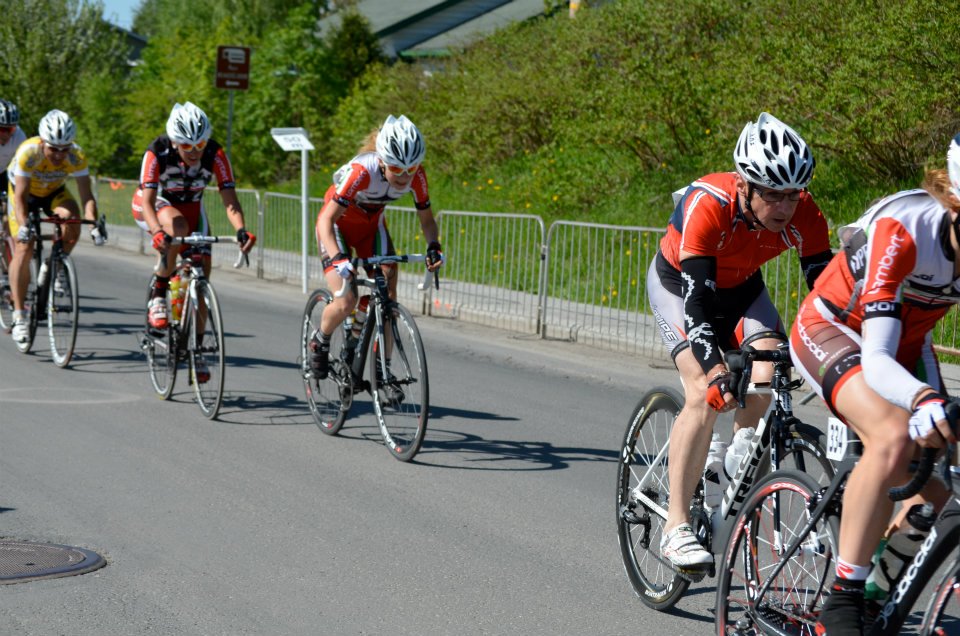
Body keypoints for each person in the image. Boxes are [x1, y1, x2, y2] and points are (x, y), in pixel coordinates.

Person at [646, 112, 833, 569]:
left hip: (744, 289)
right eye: (772, 194)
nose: (785, 207)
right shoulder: (709, 205)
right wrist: (715, 371)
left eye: (793, 193)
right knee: (702, 393)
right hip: (680, 288)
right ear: (744, 186)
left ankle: (736, 457)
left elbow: (828, 295)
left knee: (768, 372)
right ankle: (675, 527)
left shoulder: (807, 214)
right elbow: (697, 305)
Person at [790, 137, 960, 635]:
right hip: (834, 328)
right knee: (892, 435)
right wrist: (923, 398)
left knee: (937, 492)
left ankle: (875, 597)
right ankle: (843, 599)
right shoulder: (906, 228)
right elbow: (878, 359)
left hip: (908, 343)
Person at [309, 114, 444, 384]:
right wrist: (338, 257)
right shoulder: (362, 171)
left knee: (388, 298)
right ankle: (319, 341)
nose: (405, 176)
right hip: (337, 227)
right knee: (345, 300)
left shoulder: (417, 177)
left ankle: (381, 368)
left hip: (371, 228)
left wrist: (433, 246)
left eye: (411, 168)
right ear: (382, 161)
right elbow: (326, 220)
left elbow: (427, 221)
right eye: (396, 169)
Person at [131, 102, 256, 381]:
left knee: (203, 273)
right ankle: (158, 293)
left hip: (191, 209)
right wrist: (157, 232)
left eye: (199, 144)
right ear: (174, 142)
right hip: (154, 206)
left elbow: (230, 199)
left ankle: (196, 350)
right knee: (176, 226)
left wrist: (241, 230)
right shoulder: (157, 151)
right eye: (187, 146)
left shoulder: (215, 153)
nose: (194, 151)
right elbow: (148, 201)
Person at [7, 109, 105, 343]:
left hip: (53, 192)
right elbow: (20, 198)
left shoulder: (76, 156)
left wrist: (93, 225)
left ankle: (55, 263)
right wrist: (24, 226)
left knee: (72, 219)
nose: (60, 155)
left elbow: (86, 195)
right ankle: (19, 316)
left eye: (65, 149)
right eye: (54, 149)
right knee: (24, 247)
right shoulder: (28, 152)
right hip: (25, 194)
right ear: (43, 142)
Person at [0, 99, 27, 224]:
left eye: (10, 129)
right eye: (2, 129)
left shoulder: (19, 137)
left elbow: (23, 166)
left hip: (3, 172)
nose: (6, 134)